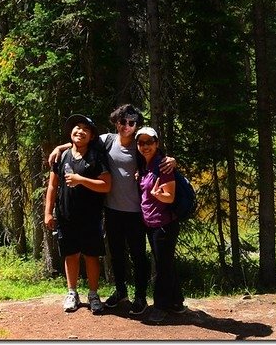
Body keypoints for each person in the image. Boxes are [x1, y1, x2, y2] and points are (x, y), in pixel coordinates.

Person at [48, 104, 175, 316]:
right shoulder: (107, 140)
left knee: (137, 255)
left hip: (136, 211)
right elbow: (80, 140)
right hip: (112, 209)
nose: (126, 126)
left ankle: (140, 296)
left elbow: (160, 159)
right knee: (116, 254)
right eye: (122, 121)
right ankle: (121, 291)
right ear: (116, 122)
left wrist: (172, 160)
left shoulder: (141, 145)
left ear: (136, 125)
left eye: (131, 122)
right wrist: (60, 148)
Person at [44, 114, 111, 314]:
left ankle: (93, 294)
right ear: (71, 132)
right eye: (77, 127)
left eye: (85, 129)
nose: (80, 131)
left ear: (91, 136)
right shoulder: (61, 156)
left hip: (90, 217)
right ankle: (72, 292)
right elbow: (52, 186)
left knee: (91, 256)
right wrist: (48, 212)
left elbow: (106, 185)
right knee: (70, 254)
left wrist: (81, 180)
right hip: (65, 216)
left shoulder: (96, 157)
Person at [134, 126, 185, 322]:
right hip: (152, 224)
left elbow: (170, 197)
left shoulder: (163, 166)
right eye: (141, 142)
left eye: (149, 142)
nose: (145, 146)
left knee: (163, 267)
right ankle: (177, 302)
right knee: (166, 263)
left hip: (164, 224)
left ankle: (161, 306)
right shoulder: (145, 165)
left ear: (156, 143)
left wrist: (158, 195)